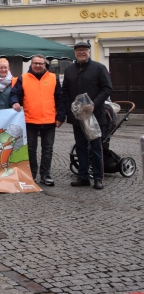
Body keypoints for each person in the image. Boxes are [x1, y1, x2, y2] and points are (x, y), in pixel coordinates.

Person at [10, 52, 66, 184]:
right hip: (30, 120)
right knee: (30, 149)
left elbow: (60, 98)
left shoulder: (53, 78)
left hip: (49, 120)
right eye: (35, 63)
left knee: (48, 149)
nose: (38, 65)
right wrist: (14, 102)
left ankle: (45, 175)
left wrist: (60, 117)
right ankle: (32, 173)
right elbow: (14, 93)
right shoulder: (23, 78)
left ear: (45, 65)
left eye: (40, 63)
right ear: (31, 64)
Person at [62, 41, 112, 189]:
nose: (81, 52)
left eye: (84, 50)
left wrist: (94, 104)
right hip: (77, 117)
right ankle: (83, 176)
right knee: (81, 147)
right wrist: (69, 107)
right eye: (78, 51)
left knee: (96, 147)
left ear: (89, 52)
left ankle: (98, 177)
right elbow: (65, 91)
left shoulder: (99, 68)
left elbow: (107, 88)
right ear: (75, 53)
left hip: (95, 116)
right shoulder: (70, 70)